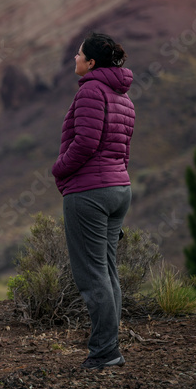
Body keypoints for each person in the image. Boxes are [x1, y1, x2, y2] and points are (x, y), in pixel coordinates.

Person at [51, 31, 135, 370]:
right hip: (118, 189)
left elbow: (85, 142)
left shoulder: (90, 91)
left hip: (89, 193)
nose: (74, 58)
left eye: (79, 54)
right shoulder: (124, 97)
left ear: (92, 62)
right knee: (108, 271)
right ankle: (109, 348)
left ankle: (104, 352)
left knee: (92, 275)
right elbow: (123, 150)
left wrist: (59, 169)